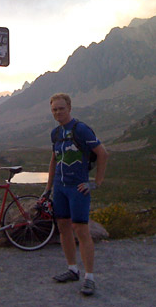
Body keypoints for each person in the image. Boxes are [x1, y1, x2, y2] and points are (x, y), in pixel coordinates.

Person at [43, 93, 108, 296]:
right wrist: (48, 188)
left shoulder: (81, 129)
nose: (58, 112)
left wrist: (95, 183)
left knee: (81, 230)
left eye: (61, 108)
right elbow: (54, 160)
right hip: (60, 188)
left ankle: (90, 277)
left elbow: (103, 153)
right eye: (54, 109)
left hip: (77, 188)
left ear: (69, 107)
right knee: (63, 228)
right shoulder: (56, 133)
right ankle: (72, 269)